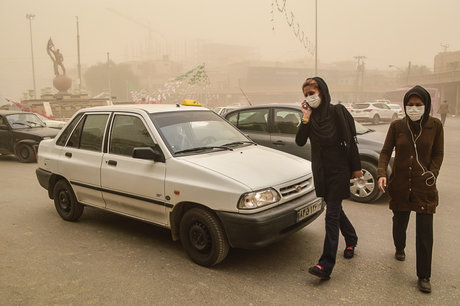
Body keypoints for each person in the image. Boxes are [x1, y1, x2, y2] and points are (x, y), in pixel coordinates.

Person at [377, 85, 444, 293]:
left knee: (425, 233)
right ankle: (400, 247)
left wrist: (432, 173)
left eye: (418, 105)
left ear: (426, 105)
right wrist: (381, 173)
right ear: (405, 106)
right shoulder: (397, 125)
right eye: (410, 105)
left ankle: (424, 275)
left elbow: (438, 153)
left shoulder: (436, 125)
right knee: (400, 222)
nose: (413, 108)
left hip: (424, 186)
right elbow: (386, 152)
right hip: (400, 184)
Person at [296, 77, 363, 280]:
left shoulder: (337, 112)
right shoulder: (311, 117)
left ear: (322, 92)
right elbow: (299, 141)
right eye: (306, 94)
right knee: (336, 210)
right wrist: (305, 117)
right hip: (321, 171)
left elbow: (349, 141)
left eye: (312, 92)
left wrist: (356, 167)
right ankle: (351, 238)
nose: (310, 97)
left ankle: (325, 265)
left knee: (331, 215)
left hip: (339, 170)